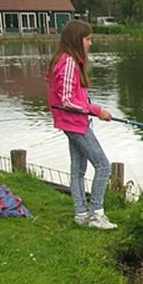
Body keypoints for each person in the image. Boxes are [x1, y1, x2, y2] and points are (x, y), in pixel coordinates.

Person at [47, 20, 117, 230]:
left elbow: (70, 96)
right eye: (88, 39)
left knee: (78, 169)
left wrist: (91, 109)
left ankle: (80, 213)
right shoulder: (69, 62)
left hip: (73, 123)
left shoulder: (65, 59)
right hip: (75, 124)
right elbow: (67, 100)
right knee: (103, 166)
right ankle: (96, 213)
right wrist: (96, 110)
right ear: (77, 40)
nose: (90, 43)